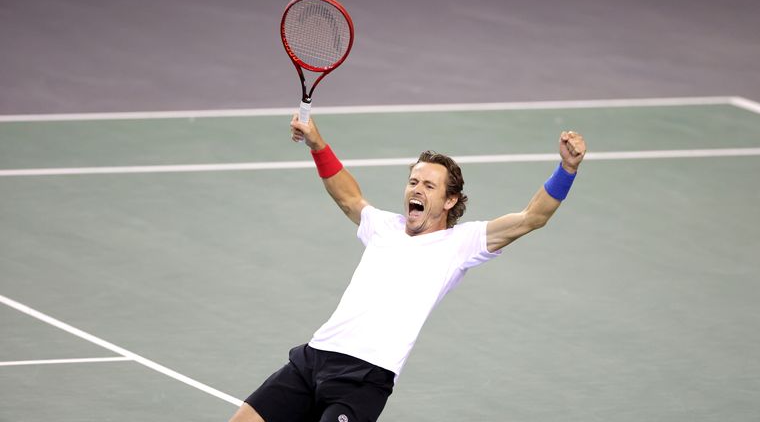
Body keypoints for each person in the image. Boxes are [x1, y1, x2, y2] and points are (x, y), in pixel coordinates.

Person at [229, 115, 587, 422]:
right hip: (314, 358)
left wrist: (567, 169)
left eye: (429, 185)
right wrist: (316, 143)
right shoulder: (382, 226)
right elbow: (347, 195)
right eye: (414, 181)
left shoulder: (461, 243)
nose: (417, 189)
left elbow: (531, 218)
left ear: (449, 201)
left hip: (364, 378)